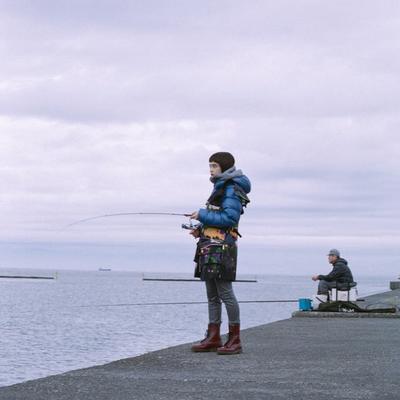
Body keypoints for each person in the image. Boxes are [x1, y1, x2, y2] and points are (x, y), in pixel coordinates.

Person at [189, 152, 251, 355]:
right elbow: (218, 215)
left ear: (224, 167)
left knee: (225, 293)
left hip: (222, 247)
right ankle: (213, 336)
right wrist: (201, 227)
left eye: (214, 165)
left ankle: (235, 339)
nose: (211, 169)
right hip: (210, 245)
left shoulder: (231, 188)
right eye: (210, 165)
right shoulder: (221, 186)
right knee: (212, 295)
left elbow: (229, 218)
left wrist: (202, 214)